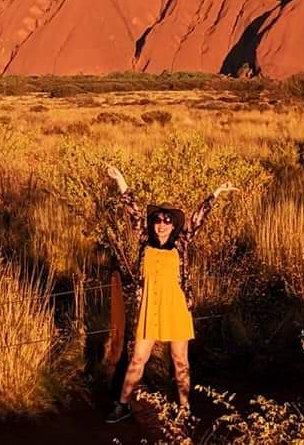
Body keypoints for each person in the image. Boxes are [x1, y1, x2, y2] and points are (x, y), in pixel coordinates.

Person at [104, 164, 235, 424]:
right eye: (157, 221)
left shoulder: (182, 242)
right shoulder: (144, 240)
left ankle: (185, 408)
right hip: (149, 308)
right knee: (138, 359)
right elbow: (132, 210)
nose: (161, 225)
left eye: (167, 221)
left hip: (175, 307)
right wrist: (120, 180)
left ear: (173, 225)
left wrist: (216, 193)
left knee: (180, 360)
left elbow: (199, 217)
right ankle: (122, 404)